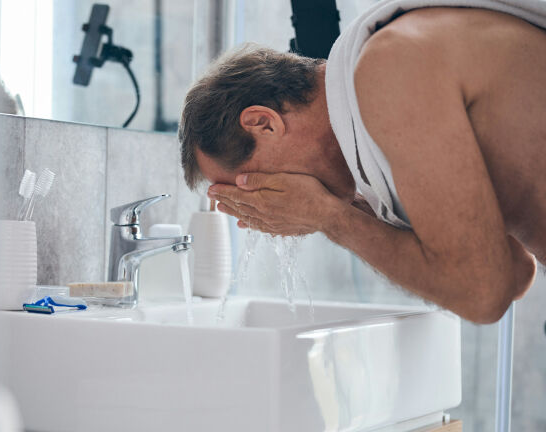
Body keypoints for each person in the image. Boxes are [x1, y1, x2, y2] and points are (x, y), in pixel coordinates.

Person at [178, 3, 546, 324]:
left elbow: (483, 295)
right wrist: (352, 213)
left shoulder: (390, 68)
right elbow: (512, 272)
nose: (264, 206)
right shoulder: (377, 126)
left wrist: (332, 218)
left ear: (263, 123)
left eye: (249, 185)